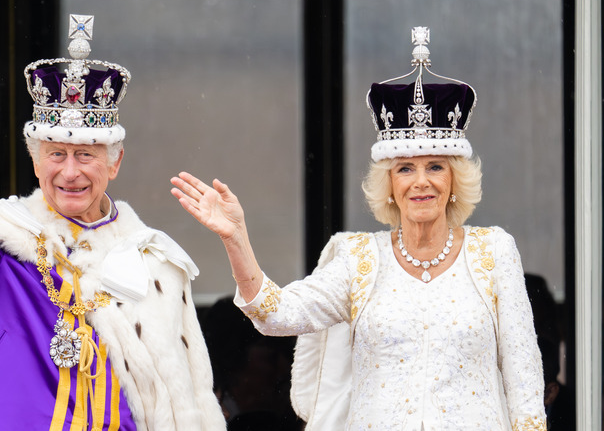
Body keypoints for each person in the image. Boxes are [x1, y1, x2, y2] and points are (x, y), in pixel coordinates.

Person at [171, 27, 547, 431]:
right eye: (406, 168)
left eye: (435, 166)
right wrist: (236, 237)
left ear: (455, 179)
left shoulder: (493, 252)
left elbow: (524, 383)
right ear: (390, 184)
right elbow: (275, 314)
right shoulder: (359, 260)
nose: (421, 181)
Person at [0, 14, 226, 431]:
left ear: (114, 162)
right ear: (34, 161)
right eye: (56, 154)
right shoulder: (5, 244)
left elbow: (178, 401)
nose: (69, 173)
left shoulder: (153, 262)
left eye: (85, 155)